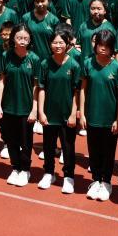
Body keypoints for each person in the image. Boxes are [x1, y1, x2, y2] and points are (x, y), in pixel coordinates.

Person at [37, 27, 82, 193]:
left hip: (67, 114)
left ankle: (69, 177)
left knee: (68, 147)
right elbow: (41, 88)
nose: (58, 45)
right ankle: (49, 173)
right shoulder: (45, 64)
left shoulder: (74, 65)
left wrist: (73, 114)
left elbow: (77, 92)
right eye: (55, 42)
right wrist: (41, 112)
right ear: (50, 44)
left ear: (67, 43)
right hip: (49, 113)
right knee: (48, 146)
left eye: (61, 42)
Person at [81, 30, 118, 201]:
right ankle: (96, 180)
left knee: (108, 152)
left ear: (112, 48)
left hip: (109, 119)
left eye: (107, 46)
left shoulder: (117, 68)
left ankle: (106, 182)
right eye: (100, 45)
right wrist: (82, 113)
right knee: (94, 150)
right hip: (92, 116)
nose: (103, 49)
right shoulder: (88, 63)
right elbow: (82, 89)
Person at [0, 23, 41, 186]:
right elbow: (2, 81)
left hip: (26, 107)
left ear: (30, 40)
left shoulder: (34, 59)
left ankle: (25, 169)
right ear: (13, 39)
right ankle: (15, 167)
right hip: (8, 106)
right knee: (11, 140)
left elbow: (36, 86)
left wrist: (34, 109)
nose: (22, 41)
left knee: (26, 141)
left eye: (25, 38)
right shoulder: (6, 56)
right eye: (19, 38)